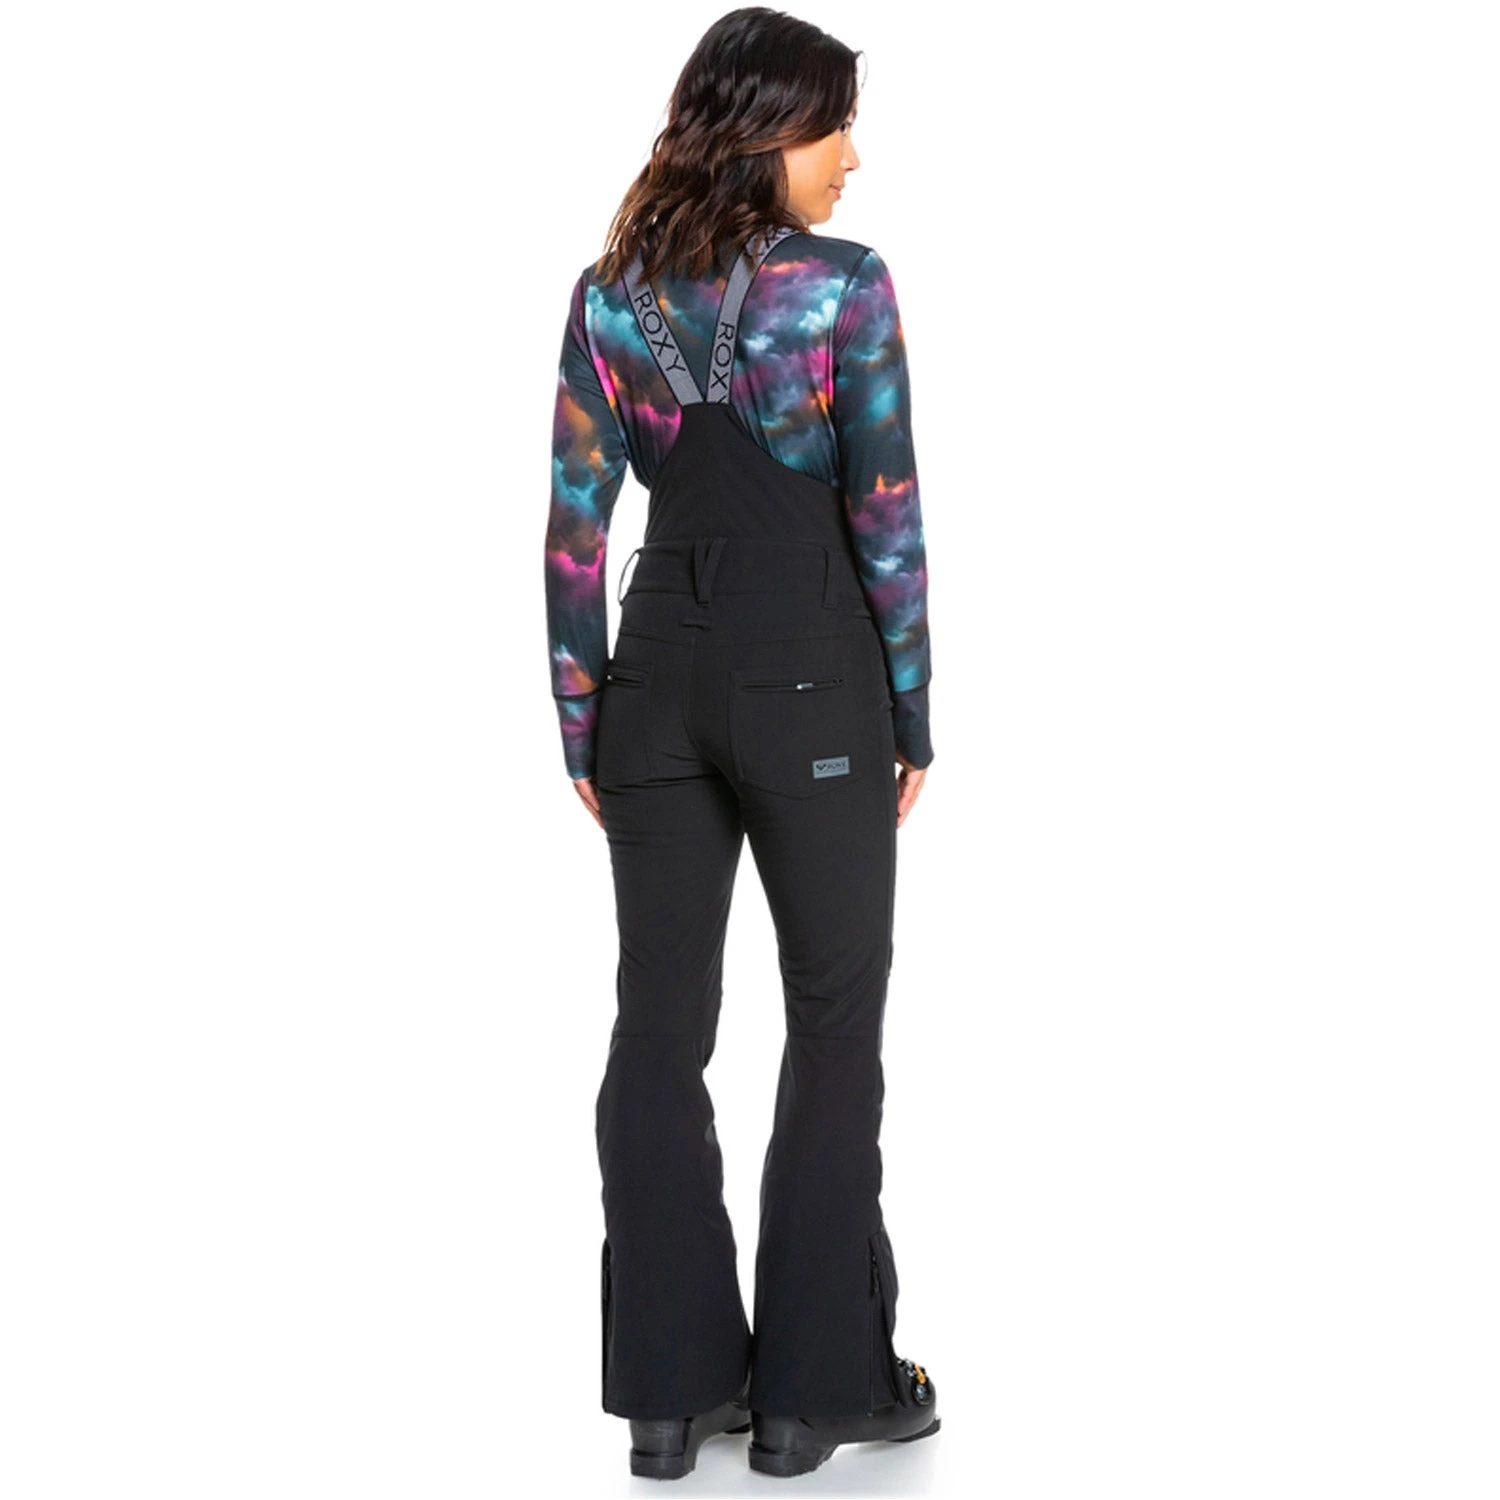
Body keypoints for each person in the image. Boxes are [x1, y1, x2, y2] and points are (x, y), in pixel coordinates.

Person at [542, 7, 938, 1480]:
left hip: (653, 678)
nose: (852, 157)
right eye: (835, 125)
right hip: (810, 677)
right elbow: (886, 516)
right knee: (832, 1023)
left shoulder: (608, 295)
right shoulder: (842, 287)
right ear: (770, 127)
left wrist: (584, 720)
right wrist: (911, 710)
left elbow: (575, 529)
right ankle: (815, 1395)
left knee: (658, 1026)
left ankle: (670, 1393)